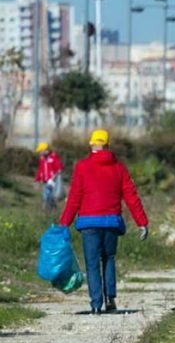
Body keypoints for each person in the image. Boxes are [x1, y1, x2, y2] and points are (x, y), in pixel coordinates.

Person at [59, 129, 148, 314]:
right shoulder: (119, 167)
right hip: (111, 223)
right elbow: (131, 196)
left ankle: (96, 304)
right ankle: (110, 299)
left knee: (92, 264)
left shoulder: (82, 167)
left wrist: (64, 223)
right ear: (108, 145)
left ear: (92, 144)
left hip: (89, 223)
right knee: (109, 259)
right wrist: (142, 222)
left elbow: (75, 197)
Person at [34, 141, 64, 214]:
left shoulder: (53, 157)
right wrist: (37, 179)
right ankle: (48, 210)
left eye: (41, 151)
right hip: (45, 181)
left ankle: (49, 210)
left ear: (45, 150)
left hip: (53, 181)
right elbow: (40, 169)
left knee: (50, 196)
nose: (40, 153)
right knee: (46, 196)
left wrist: (55, 176)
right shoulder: (42, 159)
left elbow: (60, 167)